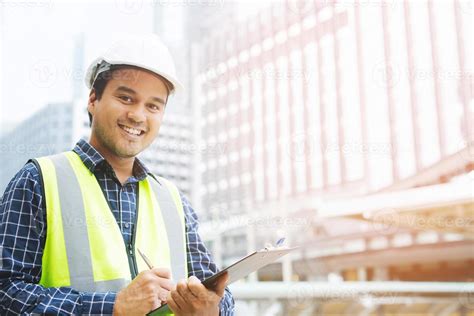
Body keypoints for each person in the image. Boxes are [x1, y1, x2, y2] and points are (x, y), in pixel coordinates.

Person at [0, 34, 234, 315]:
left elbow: (220, 295)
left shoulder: (175, 203)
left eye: (153, 106)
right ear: (93, 99)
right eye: (126, 98)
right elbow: (6, 292)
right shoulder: (37, 182)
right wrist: (113, 306)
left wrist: (213, 309)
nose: (138, 115)